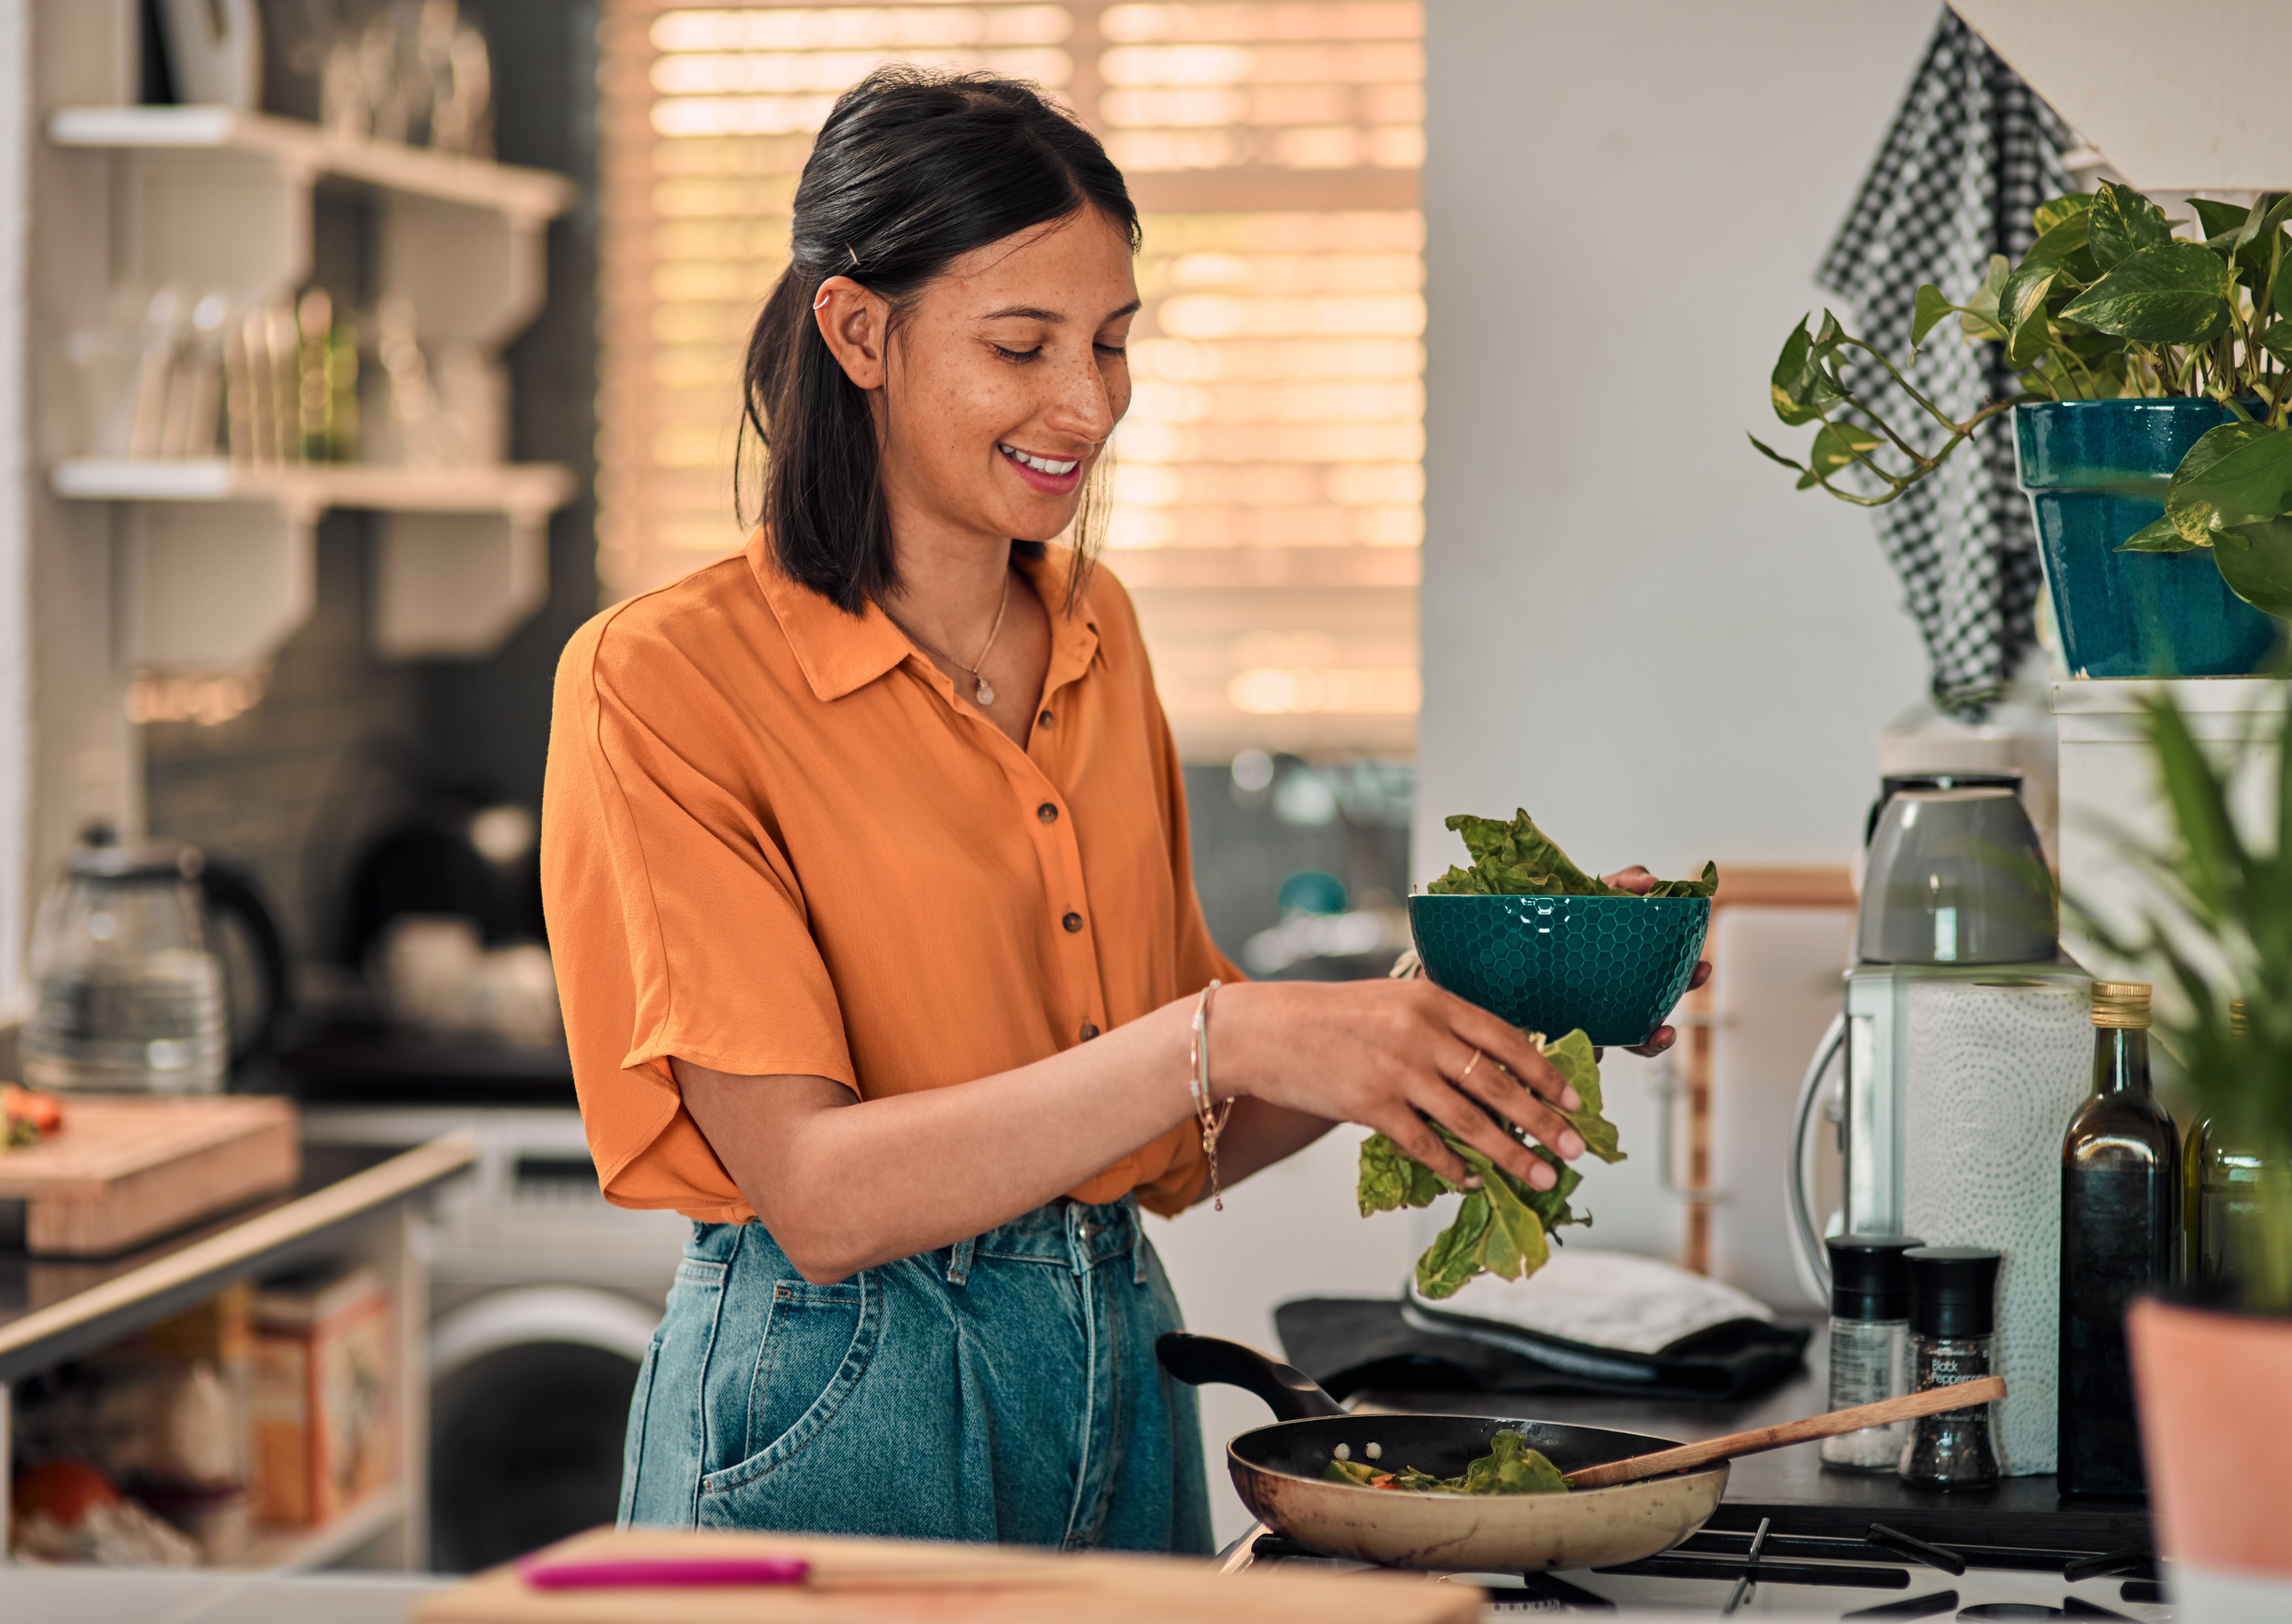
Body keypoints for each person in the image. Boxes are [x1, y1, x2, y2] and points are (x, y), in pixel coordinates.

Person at [541, 68, 1701, 1554]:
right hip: (837, 1392)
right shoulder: (663, 679)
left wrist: (1472, 999)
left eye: (1108, 343)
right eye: (1020, 345)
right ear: (858, 332)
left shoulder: (1098, 630)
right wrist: (1227, 1033)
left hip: (1115, 1359)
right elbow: (818, 1198)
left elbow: (1170, 1141)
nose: (1084, 405)